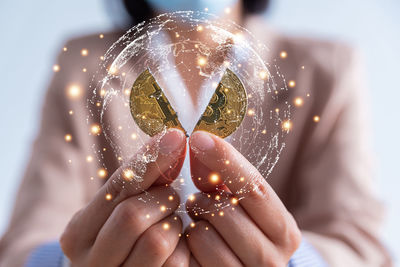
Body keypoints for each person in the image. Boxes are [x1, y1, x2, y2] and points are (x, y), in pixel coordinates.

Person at [0, 0, 392, 266]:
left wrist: (292, 258)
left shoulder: (327, 68)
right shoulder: (82, 64)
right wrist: (71, 259)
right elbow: (24, 241)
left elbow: (360, 246)